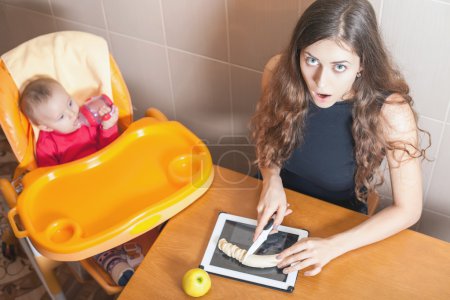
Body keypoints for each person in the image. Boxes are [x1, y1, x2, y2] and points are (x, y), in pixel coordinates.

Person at [250, 0, 429, 277]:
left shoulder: (391, 112)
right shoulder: (278, 72)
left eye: (339, 67)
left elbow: (408, 210)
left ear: (362, 64)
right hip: (271, 208)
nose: (321, 82)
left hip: (338, 226)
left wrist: (333, 246)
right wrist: (271, 176)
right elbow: (267, 134)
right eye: (311, 60)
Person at [19, 77, 119, 167]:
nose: (72, 113)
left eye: (70, 103)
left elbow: (111, 148)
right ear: (46, 127)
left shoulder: (88, 118)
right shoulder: (47, 146)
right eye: (61, 116)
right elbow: (50, 177)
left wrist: (108, 126)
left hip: (105, 165)